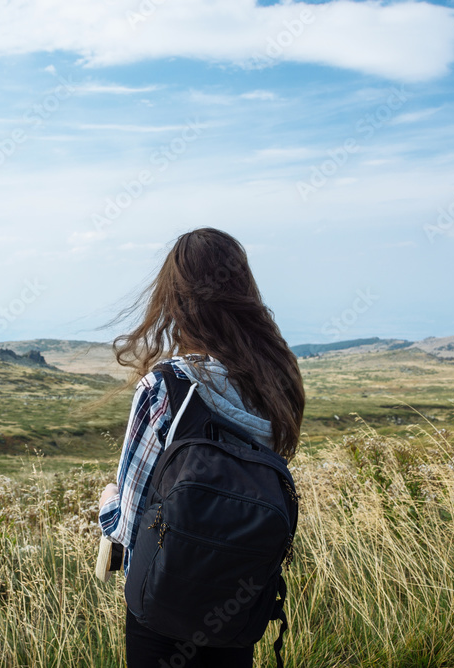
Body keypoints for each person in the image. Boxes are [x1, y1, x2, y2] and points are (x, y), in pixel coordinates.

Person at [97, 227, 305, 668]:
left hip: (161, 606)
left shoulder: (164, 386)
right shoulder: (274, 383)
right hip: (238, 600)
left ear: (174, 298)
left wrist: (107, 502)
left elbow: (128, 525)